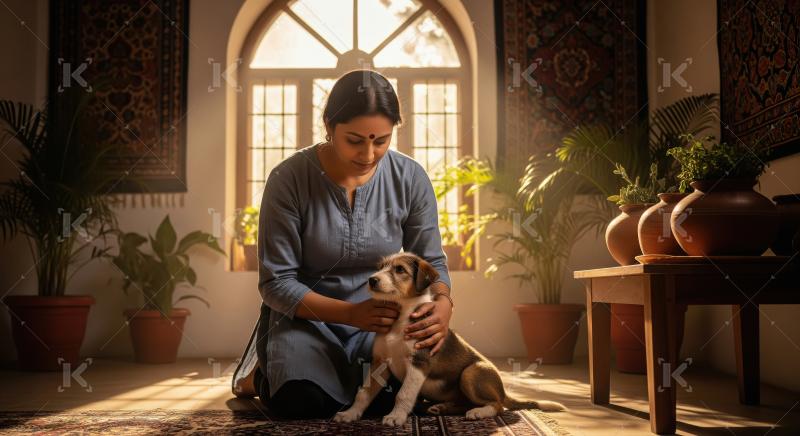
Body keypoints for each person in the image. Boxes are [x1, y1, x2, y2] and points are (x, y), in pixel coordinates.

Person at [240, 69, 454, 419]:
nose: (369, 154)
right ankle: (267, 371)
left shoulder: (411, 178)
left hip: (384, 327)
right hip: (306, 322)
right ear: (329, 125)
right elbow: (275, 283)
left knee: (396, 398)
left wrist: (444, 302)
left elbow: (432, 260)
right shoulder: (288, 178)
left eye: (381, 140)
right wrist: (352, 314)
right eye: (355, 140)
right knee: (301, 404)